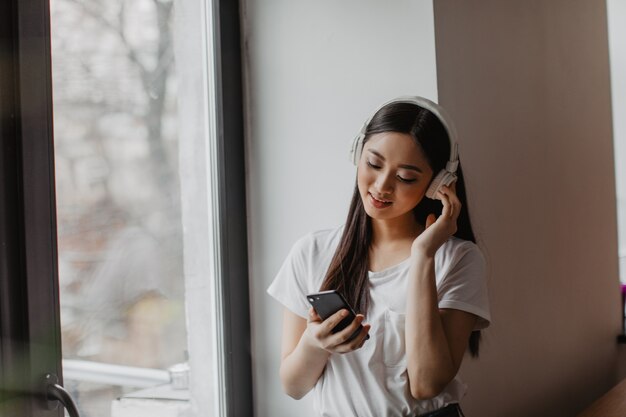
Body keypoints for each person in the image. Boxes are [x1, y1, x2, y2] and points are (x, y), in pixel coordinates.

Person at [267, 96, 491, 417]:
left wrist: (423, 255)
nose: (382, 186)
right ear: (357, 153)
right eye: (373, 164)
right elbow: (294, 386)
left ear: (438, 184)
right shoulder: (312, 252)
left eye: (406, 177)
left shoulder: (457, 259)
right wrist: (315, 344)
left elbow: (427, 384)